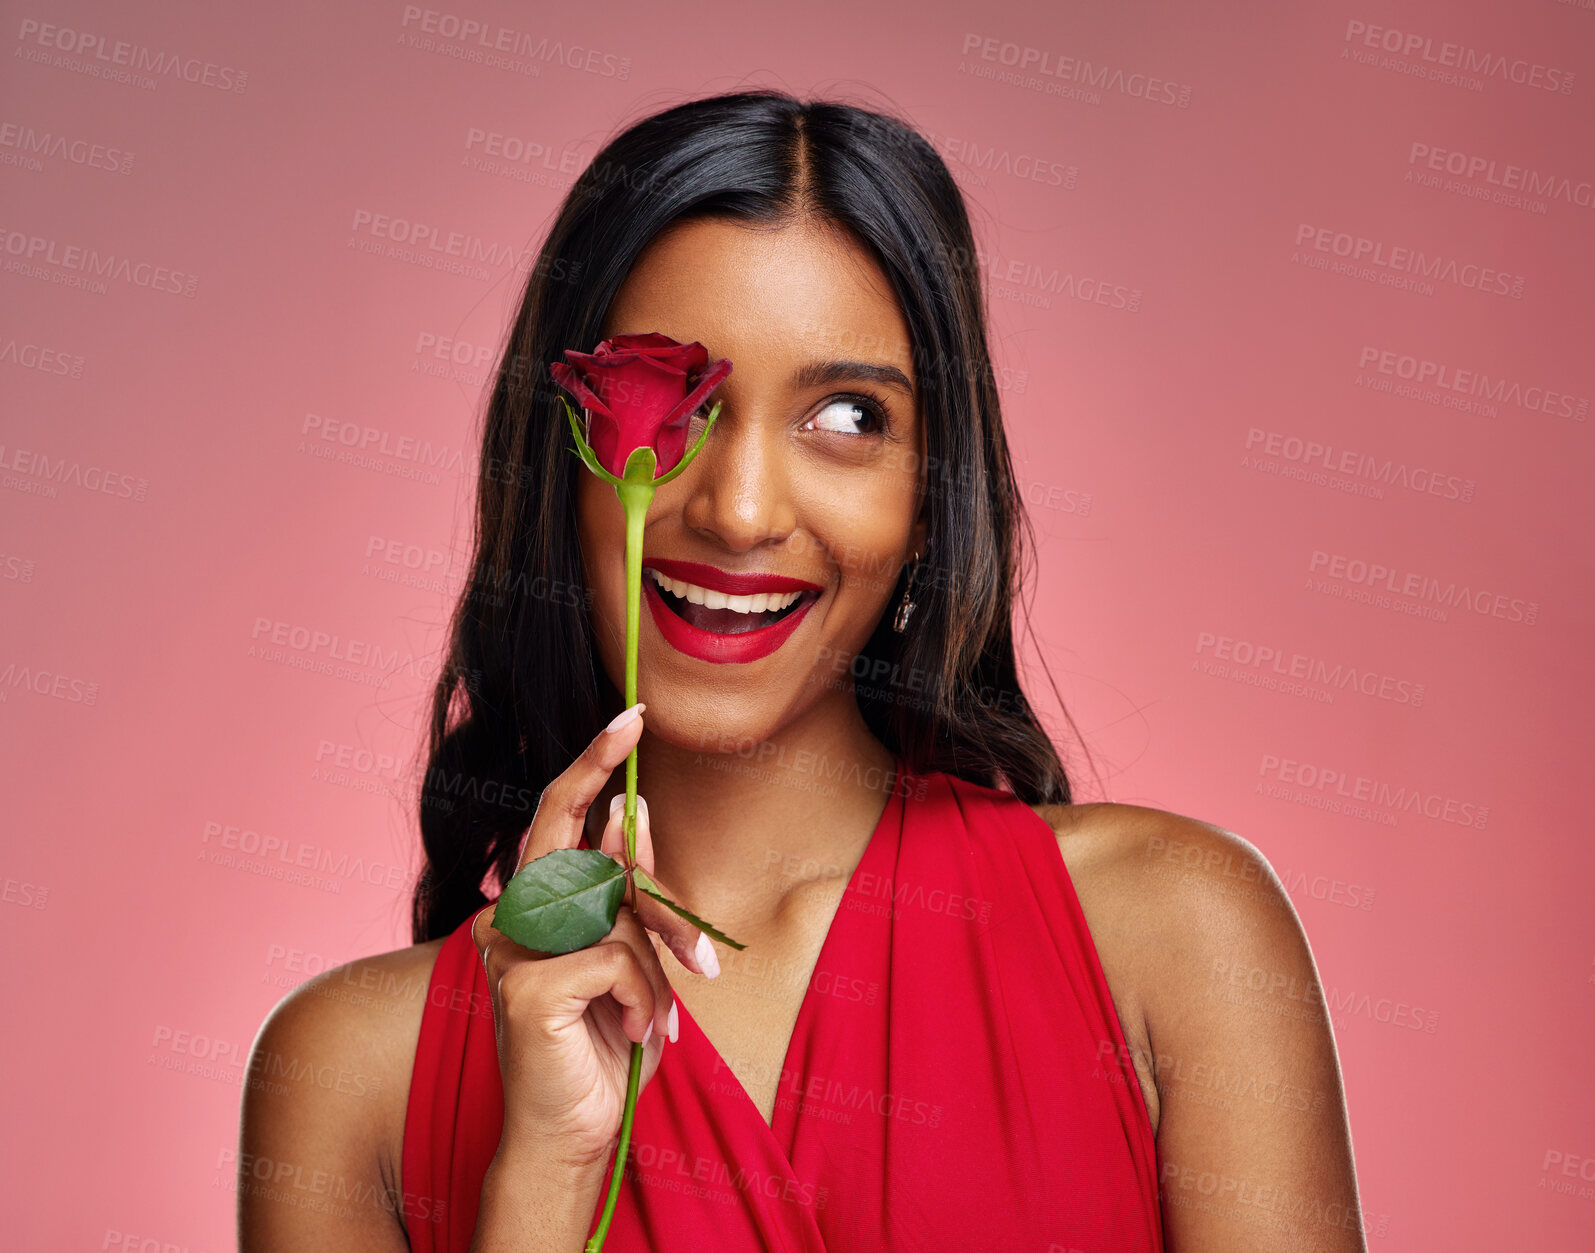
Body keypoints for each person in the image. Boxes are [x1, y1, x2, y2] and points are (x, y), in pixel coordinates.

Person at [238, 89, 1366, 1251]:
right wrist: (542, 1177)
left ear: (933, 496)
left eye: (844, 414)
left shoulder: (1177, 933)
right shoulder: (344, 1076)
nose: (737, 511)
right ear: (560, 458)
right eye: (682, 405)